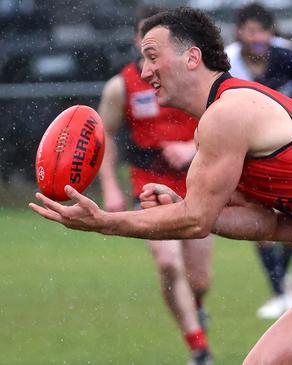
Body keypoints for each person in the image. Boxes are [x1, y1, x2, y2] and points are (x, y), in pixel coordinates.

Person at [29, 7, 292, 364]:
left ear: (192, 57)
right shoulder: (216, 122)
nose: (144, 71)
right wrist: (185, 202)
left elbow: (195, 221)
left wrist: (105, 221)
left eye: (152, 55)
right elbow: (274, 227)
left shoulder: (227, 114)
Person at [96, 5, 214, 365]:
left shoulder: (196, 79)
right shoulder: (121, 86)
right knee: (167, 263)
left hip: (196, 185)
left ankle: (195, 307)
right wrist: (111, 187)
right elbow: (103, 136)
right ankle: (198, 347)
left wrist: (192, 146)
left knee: (200, 280)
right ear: (137, 39)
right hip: (148, 186)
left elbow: (225, 122)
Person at [224, 2, 292, 319]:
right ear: (240, 32)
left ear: (271, 33)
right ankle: (278, 291)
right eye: (251, 30)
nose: (257, 37)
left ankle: (281, 280)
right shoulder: (229, 62)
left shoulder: (289, 56)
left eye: (263, 30)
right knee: (257, 214)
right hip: (249, 149)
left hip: (290, 148)